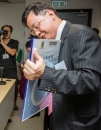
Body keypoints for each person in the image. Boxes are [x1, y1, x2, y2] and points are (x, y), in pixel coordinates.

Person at [21, 1, 101, 130]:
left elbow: (90, 79)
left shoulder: (81, 33)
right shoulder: (52, 41)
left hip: (77, 121)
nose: (36, 33)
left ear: (50, 14)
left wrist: (44, 73)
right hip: (59, 114)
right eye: (32, 30)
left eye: (36, 26)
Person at [0, 25, 19, 111]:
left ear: (11, 32)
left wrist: (2, 43)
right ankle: (0, 104)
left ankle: (13, 104)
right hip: (0, 68)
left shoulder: (14, 42)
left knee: (13, 88)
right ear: (1, 32)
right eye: (4, 31)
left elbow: (12, 53)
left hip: (11, 68)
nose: (6, 33)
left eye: (8, 31)